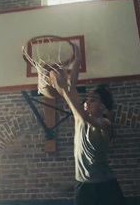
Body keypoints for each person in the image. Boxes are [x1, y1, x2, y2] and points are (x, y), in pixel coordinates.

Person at [50, 66, 125, 204]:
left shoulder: (105, 124)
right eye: (87, 99)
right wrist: (77, 59)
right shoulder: (80, 121)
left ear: (102, 107)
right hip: (83, 185)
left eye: (93, 100)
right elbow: (71, 91)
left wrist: (64, 88)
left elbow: (74, 100)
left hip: (105, 185)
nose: (87, 102)